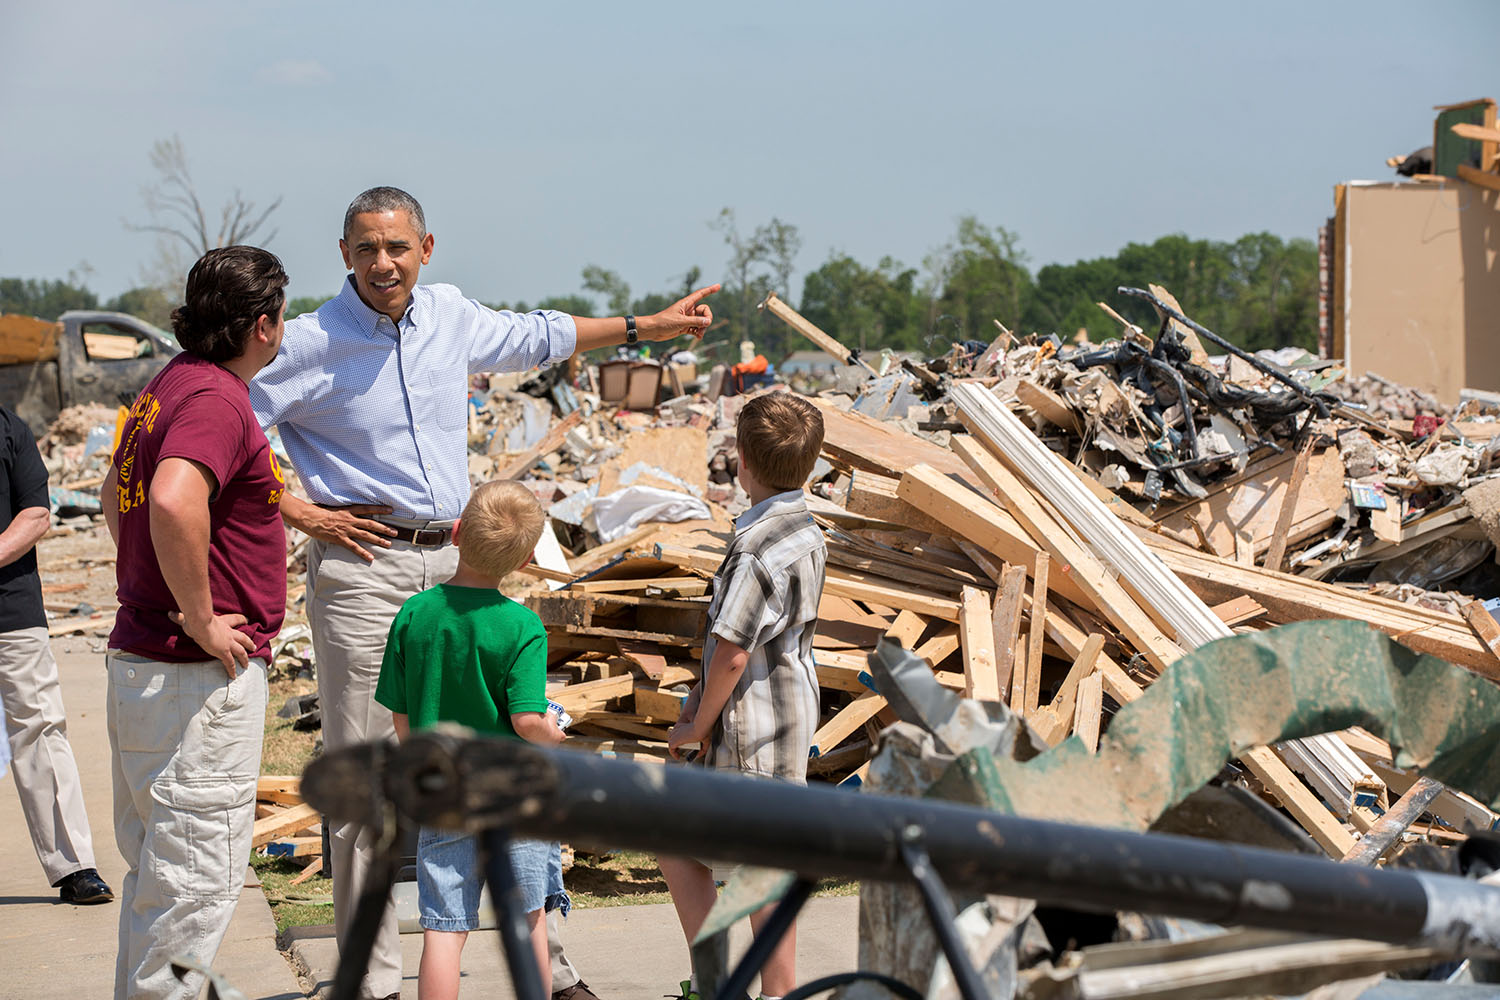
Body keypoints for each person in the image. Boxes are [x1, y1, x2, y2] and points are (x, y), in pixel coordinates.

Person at [249, 185, 717, 1000]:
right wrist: (302, 512)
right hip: (366, 569)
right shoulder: (306, 343)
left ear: (426, 249)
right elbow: (229, 429)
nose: (383, 262)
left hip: (459, 565)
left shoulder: (452, 316)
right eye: (367, 248)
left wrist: (649, 326)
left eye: (398, 247)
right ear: (344, 254)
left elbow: (543, 336)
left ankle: (551, 967)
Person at [102, 246, 289, 1000]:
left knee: (159, 877)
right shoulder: (215, 399)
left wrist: (153, 586)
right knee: (193, 885)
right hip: (192, 680)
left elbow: (120, 499)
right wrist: (202, 617)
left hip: (148, 664)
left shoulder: (168, 383)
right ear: (264, 325)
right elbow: (175, 500)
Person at [661, 392, 827, 1000]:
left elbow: (731, 651)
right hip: (785, 722)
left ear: (742, 464)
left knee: (714, 859)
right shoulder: (805, 529)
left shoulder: (757, 549)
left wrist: (694, 727)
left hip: (748, 732)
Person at [375, 479, 566, 1000]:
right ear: (526, 559)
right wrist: (555, 736)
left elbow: (402, 718)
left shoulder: (415, 614)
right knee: (527, 919)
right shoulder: (522, 626)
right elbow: (528, 720)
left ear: (456, 533)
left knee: (443, 923)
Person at [0, 404, 113, 905]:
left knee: (40, 728)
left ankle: (75, 867)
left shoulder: (9, 428)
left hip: (11, 610)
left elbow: (37, 514)